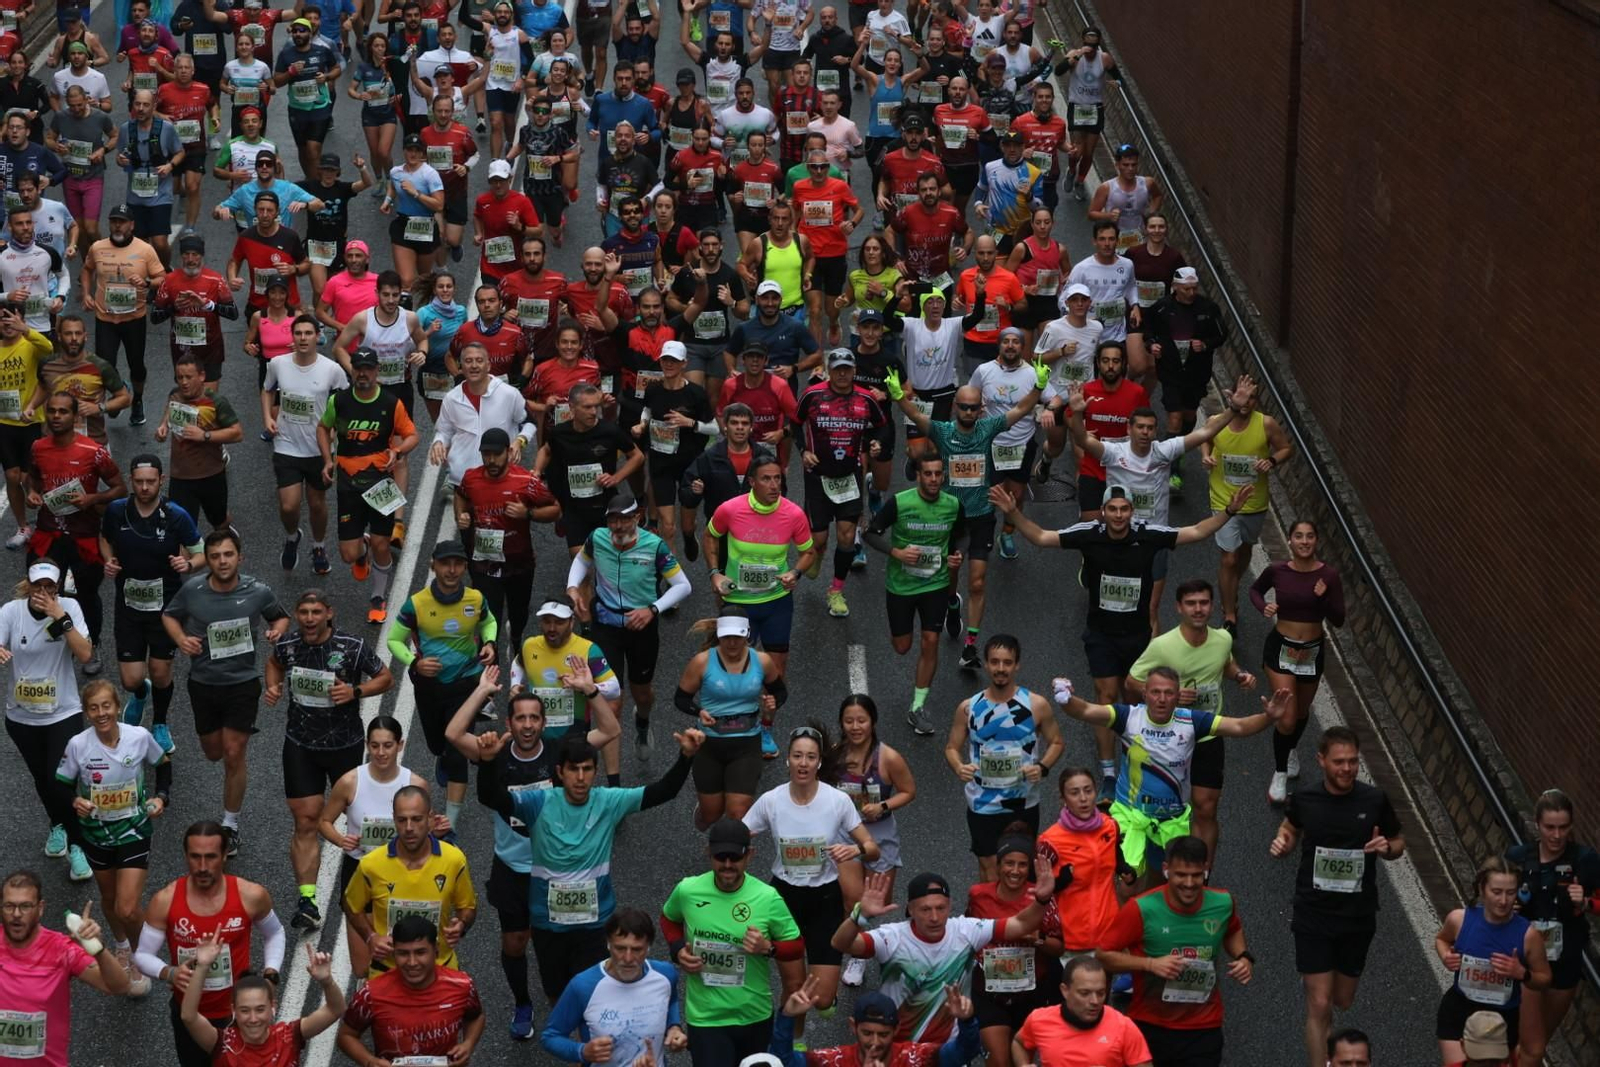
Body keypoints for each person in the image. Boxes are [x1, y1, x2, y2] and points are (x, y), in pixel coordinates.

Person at [991, 478, 1253, 802]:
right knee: (1107, 698)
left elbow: (1197, 532)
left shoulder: (1148, 535)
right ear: (1102, 511)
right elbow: (1043, 537)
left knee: (1136, 702)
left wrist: (1229, 511)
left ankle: (1138, 761)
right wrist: (1013, 513)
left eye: (1124, 509)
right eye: (1112, 509)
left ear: (1132, 510)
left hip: (1139, 635)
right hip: (1101, 634)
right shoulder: (1089, 534)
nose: (1118, 515)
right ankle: (1109, 773)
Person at [480, 728, 704, 1003]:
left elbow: (664, 792)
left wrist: (686, 757)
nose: (581, 777)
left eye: (588, 769)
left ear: (596, 772)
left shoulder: (608, 801)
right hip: (548, 923)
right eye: (574, 769)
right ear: (560, 772)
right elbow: (492, 798)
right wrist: (488, 762)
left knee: (593, 996)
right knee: (558, 998)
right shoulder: (539, 802)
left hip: (594, 923)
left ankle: (589, 1043)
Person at [1054, 668, 1288, 883]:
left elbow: (1238, 727)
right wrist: (1065, 696)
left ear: (1178, 696)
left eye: (1168, 693)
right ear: (1145, 694)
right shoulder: (1128, 717)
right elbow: (1084, 710)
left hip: (1171, 822)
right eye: (1155, 692)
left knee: (1160, 884)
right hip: (1130, 816)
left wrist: (1269, 717)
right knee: (1127, 883)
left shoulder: (1191, 720)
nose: (1162, 699)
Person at [1065, 380, 1254, 632]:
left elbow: (1205, 434)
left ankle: (1147, 666)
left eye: (1150, 428)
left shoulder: (1164, 451)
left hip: (1154, 538)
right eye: (1140, 427)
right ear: (1129, 429)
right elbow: (1081, 438)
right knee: (1114, 605)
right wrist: (1077, 413)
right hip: (1120, 538)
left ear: (1155, 431)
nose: (1145, 432)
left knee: (1150, 609)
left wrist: (1232, 409)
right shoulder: (1112, 452)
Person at [1269, 725, 1407, 1067]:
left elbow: (1399, 841)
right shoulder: (1306, 799)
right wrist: (1283, 841)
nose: (1346, 769)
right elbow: (1290, 826)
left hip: (1357, 915)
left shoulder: (1374, 800)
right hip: (1313, 912)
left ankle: (1324, 994)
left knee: (1341, 1000)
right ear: (1321, 761)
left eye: (1352, 762)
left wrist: (1388, 848)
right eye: (1339, 762)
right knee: (1319, 1003)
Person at [265, 589, 392, 932]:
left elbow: (385, 677)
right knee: (306, 821)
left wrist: (356, 692)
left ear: (328, 614)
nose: (309, 618)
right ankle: (307, 900)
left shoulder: (352, 647)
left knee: (358, 820)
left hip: (344, 747)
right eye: (303, 611)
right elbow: (274, 664)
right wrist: (273, 686)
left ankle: (372, 888)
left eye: (316, 612)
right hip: (301, 745)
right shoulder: (288, 645)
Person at [745, 726, 881, 1042]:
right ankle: (795, 1048)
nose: (803, 763)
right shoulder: (771, 801)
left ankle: (827, 997)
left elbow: (872, 847)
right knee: (795, 989)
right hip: (783, 897)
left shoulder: (837, 801)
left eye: (810, 757)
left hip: (825, 899)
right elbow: (738, 834)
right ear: (787, 761)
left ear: (819, 762)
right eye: (797, 756)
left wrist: (854, 849)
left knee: (820, 998)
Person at [160, 529, 291, 855]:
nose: (222, 561)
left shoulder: (257, 591)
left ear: (239, 558)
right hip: (204, 682)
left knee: (234, 752)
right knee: (213, 752)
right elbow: (169, 616)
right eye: (215, 556)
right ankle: (229, 813)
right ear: (209, 560)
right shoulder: (193, 590)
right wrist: (180, 640)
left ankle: (230, 825)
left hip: (242, 683)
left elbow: (281, 617)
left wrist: (276, 630)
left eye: (228, 555)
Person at [837, 865, 1055, 1045]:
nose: (934, 917)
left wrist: (1042, 900)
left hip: (947, 1048)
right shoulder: (892, 938)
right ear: (910, 910)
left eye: (941, 908)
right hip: (898, 1047)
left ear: (950, 905)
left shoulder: (966, 931)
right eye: (925, 909)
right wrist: (859, 916)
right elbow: (841, 943)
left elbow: (1020, 924)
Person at [1125, 580, 1256, 866]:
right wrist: (1171, 697)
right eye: (1191, 603)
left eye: (1204, 603)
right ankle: (1161, 866)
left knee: (1206, 808)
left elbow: (1225, 662)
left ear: (1212, 606)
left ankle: (1201, 873)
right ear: (1179, 607)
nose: (1198, 609)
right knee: (1169, 809)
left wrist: (1239, 675)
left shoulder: (1223, 639)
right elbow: (1132, 682)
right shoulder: (1162, 646)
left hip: (1207, 735)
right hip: (1168, 739)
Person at [134, 822, 285, 1067]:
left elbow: (275, 933)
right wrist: (168, 972)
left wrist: (271, 973)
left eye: (210, 857)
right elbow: (142, 955)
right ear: (186, 856)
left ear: (224, 856)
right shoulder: (165, 900)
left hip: (241, 1013)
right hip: (190, 1015)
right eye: (195, 857)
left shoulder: (251, 895)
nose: (202, 867)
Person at [1095, 836, 1252, 1067]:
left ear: (1206, 870)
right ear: (1166, 870)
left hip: (1203, 1026)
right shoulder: (1141, 908)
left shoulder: (1223, 903)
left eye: (1196, 875)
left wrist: (1243, 956)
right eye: (1181, 875)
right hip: (1150, 1025)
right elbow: (1103, 955)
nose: (1189, 883)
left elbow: (1232, 930)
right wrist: (1150, 964)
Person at [56, 675, 168, 998]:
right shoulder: (78, 745)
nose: (101, 713)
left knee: (128, 908)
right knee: (109, 899)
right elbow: (61, 785)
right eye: (94, 708)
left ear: (117, 707)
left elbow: (164, 764)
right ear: (86, 713)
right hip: (96, 834)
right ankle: (121, 946)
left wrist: (161, 797)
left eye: (107, 706)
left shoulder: (139, 737)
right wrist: (75, 801)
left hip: (134, 830)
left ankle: (140, 955)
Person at [660, 818, 803, 1066]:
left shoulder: (767, 898)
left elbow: (797, 946)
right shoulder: (688, 890)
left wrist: (768, 948)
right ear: (709, 854)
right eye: (720, 857)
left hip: (754, 1016)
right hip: (706, 1018)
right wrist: (677, 950)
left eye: (735, 858)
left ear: (750, 855)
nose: (727, 865)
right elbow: (668, 918)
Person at [570, 493, 691, 760]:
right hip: (605, 625)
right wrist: (573, 587)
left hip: (642, 629)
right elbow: (582, 560)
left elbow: (684, 585)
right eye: (613, 521)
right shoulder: (597, 538)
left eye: (625, 520)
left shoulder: (655, 546)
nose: (618, 527)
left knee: (643, 694)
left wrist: (652, 609)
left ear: (637, 518)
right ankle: (613, 779)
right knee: (612, 701)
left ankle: (643, 721)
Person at [99, 453, 204, 756]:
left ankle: (159, 722)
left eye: (150, 481)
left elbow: (200, 552)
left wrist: (188, 563)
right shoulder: (118, 511)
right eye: (139, 481)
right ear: (131, 481)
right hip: (129, 607)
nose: (145, 487)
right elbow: (104, 538)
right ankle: (140, 694)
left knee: (161, 671)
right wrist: (109, 560)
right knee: (131, 680)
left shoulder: (175, 515)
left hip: (166, 608)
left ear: (161, 480)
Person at [388, 540, 497, 829]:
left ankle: (450, 825)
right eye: (445, 563)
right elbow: (393, 640)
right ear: (432, 565)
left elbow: (488, 622)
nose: (452, 570)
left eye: (458, 564)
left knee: (457, 749)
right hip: (430, 687)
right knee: (439, 745)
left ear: (465, 566)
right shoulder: (417, 604)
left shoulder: (475, 599)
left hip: (465, 682)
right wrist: (415, 663)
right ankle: (443, 757)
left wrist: (489, 642)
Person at [1, 561, 96, 881]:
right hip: (21, 716)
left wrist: (61, 618)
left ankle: (78, 844)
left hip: (62, 713)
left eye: (50, 588)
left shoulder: (69, 607)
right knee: (43, 779)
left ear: (58, 588)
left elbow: (85, 655)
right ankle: (57, 824)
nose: (44, 593)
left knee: (60, 780)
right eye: (38, 587)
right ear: (28, 585)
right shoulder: (12, 612)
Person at [703, 450, 817, 707]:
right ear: (752, 482)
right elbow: (710, 536)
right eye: (766, 479)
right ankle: (734, 721)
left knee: (775, 673)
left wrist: (795, 572)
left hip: (776, 601)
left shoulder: (793, 514)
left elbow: (809, 552)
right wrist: (714, 573)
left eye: (778, 478)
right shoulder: (730, 509)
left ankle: (765, 731)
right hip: (737, 602)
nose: (774, 485)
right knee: (732, 669)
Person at [945, 633, 1065, 879]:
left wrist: (1042, 767)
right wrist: (959, 767)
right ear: (986, 664)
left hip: (1023, 802)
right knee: (989, 866)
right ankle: (989, 916)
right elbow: (951, 747)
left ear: (1017, 664)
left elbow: (1056, 742)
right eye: (995, 662)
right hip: (981, 802)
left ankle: (1018, 916)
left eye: (1007, 662)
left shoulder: (1035, 704)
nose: (1001, 669)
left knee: (1021, 866)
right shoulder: (969, 707)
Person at [317, 346, 421, 623]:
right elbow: (322, 427)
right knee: (348, 555)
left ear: (376, 371)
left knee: (382, 544)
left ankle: (378, 597)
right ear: (352, 370)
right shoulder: (338, 401)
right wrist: (327, 460)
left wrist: (397, 452)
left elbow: (412, 435)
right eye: (358, 368)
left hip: (380, 485)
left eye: (368, 369)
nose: (362, 374)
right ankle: (361, 550)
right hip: (348, 485)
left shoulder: (390, 403)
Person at [863, 453, 967, 726]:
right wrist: (896, 552)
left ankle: (918, 706)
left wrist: (958, 554)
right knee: (902, 647)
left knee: (930, 640)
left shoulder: (953, 504)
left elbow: (963, 534)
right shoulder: (900, 502)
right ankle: (945, 608)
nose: (934, 479)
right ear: (918, 476)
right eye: (928, 474)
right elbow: (870, 533)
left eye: (938, 474)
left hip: (936, 582)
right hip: (901, 585)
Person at [24, 392, 124, 664]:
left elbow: (120, 488)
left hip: (84, 536)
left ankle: (92, 645)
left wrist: (94, 498)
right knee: (41, 592)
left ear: (75, 415)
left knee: (87, 595)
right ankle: (47, 646)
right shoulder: (38, 448)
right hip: (48, 535)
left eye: (63, 411)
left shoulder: (94, 451)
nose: (56, 416)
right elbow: (32, 481)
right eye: (52, 411)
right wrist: (32, 494)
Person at [1252, 519, 1346, 803]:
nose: (1304, 541)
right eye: (1299, 536)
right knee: (1288, 715)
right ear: (1290, 541)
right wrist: (1263, 606)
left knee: (1302, 713)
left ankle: (1290, 748)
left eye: (1310, 536)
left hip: (1312, 652)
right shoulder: (1278, 571)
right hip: (1281, 649)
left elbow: (1339, 619)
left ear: (1316, 541)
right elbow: (1255, 590)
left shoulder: (1328, 576)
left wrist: (1324, 598)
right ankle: (1279, 775)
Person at [824, 692, 914, 988]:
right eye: (848, 720)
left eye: (861, 720)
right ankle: (857, 954)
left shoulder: (888, 757)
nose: (855, 726)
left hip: (880, 835)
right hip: (845, 835)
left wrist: (884, 806)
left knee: (880, 898)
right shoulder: (835, 754)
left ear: (872, 722)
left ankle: (863, 940)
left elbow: (908, 790)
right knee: (852, 898)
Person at [1506, 789, 1600, 1066]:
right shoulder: (1518, 857)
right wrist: (1506, 906)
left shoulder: (1585, 860)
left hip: (1564, 961)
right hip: (1525, 961)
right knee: (1522, 1044)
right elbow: (1490, 894)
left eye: (1563, 827)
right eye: (1550, 827)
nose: (1557, 835)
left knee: (1538, 1042)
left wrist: (1586, 904)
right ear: (1537, 824)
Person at [0, 868, 131, 1067]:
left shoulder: (61, 949)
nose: (16, 914)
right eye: (9, 906)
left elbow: (119, 986)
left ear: (40, 908)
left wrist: (98, 950)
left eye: (25, 906)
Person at [344, 784, 478, 975]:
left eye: (416, 819)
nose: (409, 828)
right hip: (388, 972)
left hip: (441, 969)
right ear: (394, 820)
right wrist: (370, 937)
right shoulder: (371, 865)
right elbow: (351, 905)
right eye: (402, 820)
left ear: (430, 818)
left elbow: (468, 907)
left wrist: (462, 925)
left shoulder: (454, 860)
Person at [1433, 857, 1551, 1066]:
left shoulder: (1528, 935)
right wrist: (1446, 957)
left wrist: (1522, 973)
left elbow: (1544, 978)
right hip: (1460, 1010)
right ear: (1482, 889)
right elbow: (1442, 939)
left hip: (1502, 1020)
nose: (1504, 901)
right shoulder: (1459, 919)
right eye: (1496, 892)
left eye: (1510, 892)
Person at [795, 349, 885, 618]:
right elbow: (794, 423)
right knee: (819, 539)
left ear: (854, 370)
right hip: (817, 476)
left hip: (849, 477)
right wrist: (803, 452)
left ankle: (835, 590)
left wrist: (877, 442)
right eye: (837, 369)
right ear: (829, 370)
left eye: (847, 368)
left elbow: (882, 424)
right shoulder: (812, 395)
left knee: (846, 536)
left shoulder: (866, 398)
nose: (843, 373)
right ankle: (818, 553)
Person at [1201, 369, 1292, 633]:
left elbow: (1286, 448)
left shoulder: (1266, 424)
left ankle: (1229, 587)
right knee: (1228, 558)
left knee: (1244, 552)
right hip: (1223, 500)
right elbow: (1205, 438)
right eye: (1245, 398)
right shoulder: (1218, 419)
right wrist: (1206, 456)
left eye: (1253, 399)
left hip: (1254, 502)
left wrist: (1272, 461)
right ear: (1234, 396)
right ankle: (1230, 614)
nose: (1248, 403)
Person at [967, 824, 1066, 1064]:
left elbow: (1059, 947)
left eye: (1022, 864)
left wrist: (1038, 940)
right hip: (990, 992)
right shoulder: (978, 895)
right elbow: (967, 934)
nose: (1015, 870)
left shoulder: (1040, 896)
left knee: (1021, 1059)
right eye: (1009, 863)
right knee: (1000, 1061)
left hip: (1032, 994)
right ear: (998, 866)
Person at [676, 609, 785, 825]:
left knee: (738, 813)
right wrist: (698, 711)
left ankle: (729, 855)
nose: (732, 643)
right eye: (726, 637)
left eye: (737, 637)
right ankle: (706, 811)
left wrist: (773, 703)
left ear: (747, 635)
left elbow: (780, 691)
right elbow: (681, 698)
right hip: (709, 745)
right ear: (719, 635)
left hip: (747, 744)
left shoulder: (762, 661)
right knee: (711, 815)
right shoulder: (702, 662)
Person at [541, 906, 688, 1064]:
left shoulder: (665, 974)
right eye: (620, 948)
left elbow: (670, 999)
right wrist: (582, 1052)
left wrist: (673, 1027)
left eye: (637, 949)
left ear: (649, 947)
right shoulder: (583, 986)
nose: (628, 958)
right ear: (608, 944)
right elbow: (551, 1036)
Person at [336, 914, 487, 1065]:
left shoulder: (462, 985)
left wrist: (468, 1044)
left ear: (436, 951)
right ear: (394, 954)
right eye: (403, 953)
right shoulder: (371, 994)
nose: (412, 962)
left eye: (420, 952)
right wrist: (369, 1061)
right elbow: (346, 1036)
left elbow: (475, 1017)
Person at [261, 315, 349, 576]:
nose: (302, 338)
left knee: (317, 504)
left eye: (308, 333)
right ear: (292, 336)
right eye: (298, 333)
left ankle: (319, 546)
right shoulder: (278, 364)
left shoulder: (331, 369)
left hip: (317, 448)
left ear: (317, 337)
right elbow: (267, 390)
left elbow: (343, 402)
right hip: (286, 445)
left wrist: (334, 431)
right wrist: (267, 417)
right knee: (289, 506)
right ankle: (291, 536)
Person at [179, 934, 345, 1065]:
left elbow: (335, 1009)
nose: (253, 1019)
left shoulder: (289, 1036)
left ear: (272, 1007)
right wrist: (202, 967)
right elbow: (188, 1016)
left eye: (260, 1009)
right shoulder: (221, 1043)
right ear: (233, 1010)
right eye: (244, 1010)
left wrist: (327, 981)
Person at [510, 593, 624, 772]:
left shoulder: (588, 650)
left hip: (574, 733)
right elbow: (518, 664)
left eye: (559, 622)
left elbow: (614, 689)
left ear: (571, 622)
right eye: (547, 621)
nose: (552, 628)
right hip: (536, 734)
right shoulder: (530, 645)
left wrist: (585, 688)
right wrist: (515, 685)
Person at [80, 204, 165, 427]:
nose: (117, 225)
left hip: (134, 318)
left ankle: (136, 399)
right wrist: (86, 294)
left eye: (122, 221)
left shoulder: (145, 250)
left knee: (136, 365)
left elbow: (162, 277)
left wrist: (147, 283)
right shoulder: (98, 247)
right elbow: (87, 269)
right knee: (105, 365)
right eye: (114, 221)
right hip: (105, 318)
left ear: (132, 225)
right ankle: (119, 395)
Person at [1142, 267, 1228, 482]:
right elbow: (1147, 330)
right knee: (1174, 417)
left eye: (1194, 288)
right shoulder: (1162, 308)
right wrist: (1151, 345)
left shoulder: (1208, 308)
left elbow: (1221, 334)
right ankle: (1172, 471)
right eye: (1187, 289)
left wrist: (1206, 344)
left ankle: (1176, 449)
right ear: (1175, 288)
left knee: (1189, 416)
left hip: (1196, 372)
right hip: (1171, 371)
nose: (1191, 293)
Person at [774, 983, 981, 1066]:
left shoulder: (916, 1058)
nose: (874, 1042)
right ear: (853, 1027)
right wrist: (786, 1016)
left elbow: (964, 1052)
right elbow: (782, 1062)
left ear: (896, 1030)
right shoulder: (835, 1061)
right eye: (867, 1033)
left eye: (883, 1034)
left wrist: (967, 1020)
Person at [1012, 955, 1153, 1067]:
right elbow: (1019, 1043)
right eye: (1085, 993)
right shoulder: (1039, 1019)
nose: (1095, 1001)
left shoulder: (1124, 1027)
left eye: (1101, 993)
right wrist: (1024, 1064)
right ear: (1065, 991)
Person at [154, 353, 242, 533]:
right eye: (180, 377)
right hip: (181, 477)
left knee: (219, 521)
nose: (184, 382)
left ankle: (226, 536)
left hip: (211, 475)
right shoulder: (175, 395)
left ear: (201, 376)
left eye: (189, 377)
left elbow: (237, 433)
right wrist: (163, 427)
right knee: (182, 528)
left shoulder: (215, 402)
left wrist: (205, 436)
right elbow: (170, 409)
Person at [430, 341, 536, 487]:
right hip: (462, 478)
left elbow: (529, 422)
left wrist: (520, 441)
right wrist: (438, 442)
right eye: (468, 361)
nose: (474, 366)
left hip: (500, 476)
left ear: (488, 365)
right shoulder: (451, 398)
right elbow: (444, 431)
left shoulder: (509, 394)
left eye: (479, 361)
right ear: (461, 366)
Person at [150, 234, 239, 383]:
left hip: (210, 349)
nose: (191, 259)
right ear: (181, 256)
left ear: (201, 256)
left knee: (209, 401)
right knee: (186, 398)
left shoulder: (215, 279)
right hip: (182, 350)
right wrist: (174, 308)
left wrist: (207, 305)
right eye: (186, 254)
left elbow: (233, 313)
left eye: (195, 255)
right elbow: (154, 317)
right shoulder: (169, 280)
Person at [1062, 26, 1117, 198]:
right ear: (1082, 41)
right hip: (1077, 106)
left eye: (1093, 47)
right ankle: (1071, 171)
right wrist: (1077, 55)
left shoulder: (1105, 59)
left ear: (1098, 43)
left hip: (1095, 108)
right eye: (1087, 45)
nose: (1090, 50)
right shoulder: (1074, 55)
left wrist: (1117, 83)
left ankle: (1080, 180)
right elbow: (1058, 70)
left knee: (1088, 153)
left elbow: (1118, 76)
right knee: (1076, 151)